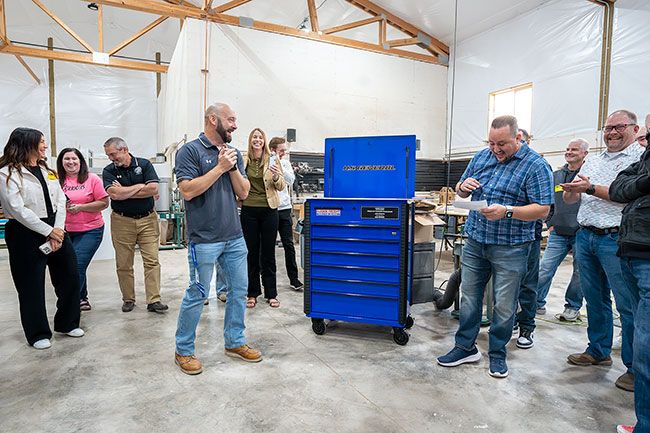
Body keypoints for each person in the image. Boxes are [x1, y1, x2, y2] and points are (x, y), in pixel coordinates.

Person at [436, 115, 553, 378]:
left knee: (503, 304)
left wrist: (508, 211)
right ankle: (465, 346)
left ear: (518, 138)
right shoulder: (482, 157)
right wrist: (462, 187)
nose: (496, 149)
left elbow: (543, 209)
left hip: (511, 246)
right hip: (477, 240)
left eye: (502, 144)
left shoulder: (536, 166)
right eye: (491, 143)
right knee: (469, 297)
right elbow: (461, 190)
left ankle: (497, 353)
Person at [174, 102, 261, 375]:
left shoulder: (234, 153)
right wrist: (219, 168)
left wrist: (232, 166)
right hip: (204, 239)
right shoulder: (189, 151)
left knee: (238, 292)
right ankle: (184, 350)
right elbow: (188, 191)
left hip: (234, 236)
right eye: (231, 119)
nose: (235, 124)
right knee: (197, 295)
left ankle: (235, 342)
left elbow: (244, 193)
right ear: (213, 119)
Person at [563, 109, 644, 393]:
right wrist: (571, 190)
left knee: (628, 305)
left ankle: (636, 369)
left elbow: (626, 195)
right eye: (608, 127)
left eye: (619, 127)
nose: (611, 132)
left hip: (616, 239)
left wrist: (590, 188)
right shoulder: (594, 159)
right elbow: (574, 199)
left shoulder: (638, 159)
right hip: (586, 236)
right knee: (595, 299)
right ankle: (598, 349)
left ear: (635, 130)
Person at [0, 128, 84, 349]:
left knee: (70, 278)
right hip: (25, 232)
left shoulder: (47, 169)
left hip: (56, 227)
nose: (45, 146)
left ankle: (67, 322)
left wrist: (57, 230)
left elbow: (60, 201)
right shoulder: (7, 173)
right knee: (31, 285)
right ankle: (37, 333)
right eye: (42, 142)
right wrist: (48, 231)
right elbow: (16, 209)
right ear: (28, 144)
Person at [610, 117, 650, 433]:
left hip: (641, 253)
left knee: (645, 343)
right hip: (631, 250)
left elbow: (624, 188)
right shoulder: (644, 157)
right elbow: (617, 187)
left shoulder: (639, 156)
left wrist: (632, 186)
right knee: (637, 326)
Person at [102, 137, 168, 313]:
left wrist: (125, 191)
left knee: (152, 260)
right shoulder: (108, 170)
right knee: (124, 263)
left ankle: (154, 300)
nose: (111, 159)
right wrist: (140, 186)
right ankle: (128, 299)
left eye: (113, 154)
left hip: (147, 220)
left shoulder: (144, 165)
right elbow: (114, 195)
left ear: (124, 149)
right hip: (122, 221)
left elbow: (153, 189)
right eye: (108, 155)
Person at [535, 139, 589, 321]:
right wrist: (550, 222)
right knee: (545, 268)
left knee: (579, 272)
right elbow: (548, 201)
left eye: (574, 149)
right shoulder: (556, 176)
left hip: (581, 232)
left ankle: (572, 306)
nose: (569, 152)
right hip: (558, 231)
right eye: (567, 149)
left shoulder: (588, 176)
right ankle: (537, 302)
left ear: (584, 154)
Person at [57, 148, 109, 311]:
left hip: (90, 229)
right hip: (64, 231)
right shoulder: (57, 180)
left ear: (81, 162)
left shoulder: (92, 179)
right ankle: (81, 297)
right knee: (71, 265)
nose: (70, 162)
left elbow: (104, 203)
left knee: (77, 264)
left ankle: (70, 301)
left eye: (74, 159)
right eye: (67, 159)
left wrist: (81, 207)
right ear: (61, 162)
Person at [241, 128, 285, 308]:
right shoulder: (243, 159)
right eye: (254, 137)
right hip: (249, 209)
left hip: (269, 210)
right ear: (250, 140)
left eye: (260, 137)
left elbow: (281, 185)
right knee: (251, 253)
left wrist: (275, 175)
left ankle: (271, 293)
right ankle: (252, 293)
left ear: (264, 141)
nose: (257, 140)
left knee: (268, 253)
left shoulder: (272, 159)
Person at [268, 136, 303, 290]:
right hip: (269, 208)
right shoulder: (265, 162)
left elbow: (289, 180)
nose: (284, 153)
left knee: (288, 245)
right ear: (273, 149)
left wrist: (280, 164)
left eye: (284, 150)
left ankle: (294, 279)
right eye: (281, 150)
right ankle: (268, 281)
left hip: (284, 208)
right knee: (267, 246)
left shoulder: (286, 163)